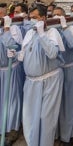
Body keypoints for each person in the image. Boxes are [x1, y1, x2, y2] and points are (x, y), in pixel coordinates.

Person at [19, 3, 65, 146]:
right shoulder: (29, 33)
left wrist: (42, 34)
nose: (32, 20)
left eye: (35, 17)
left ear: (44, 18)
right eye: (30, 17)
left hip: (49, 80)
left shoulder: (52, 32)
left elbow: (52, 53)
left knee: (46, 118)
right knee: (29, 117)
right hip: (31, 82)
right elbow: (25, 55)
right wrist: (15, 55)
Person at [52, 6, 73, 146]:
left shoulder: (70, 28)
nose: (55, 17)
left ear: (63, 16)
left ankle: (69, 135)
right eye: (53, 15)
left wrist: (64, 28)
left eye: (58, 15)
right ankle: (56, 133)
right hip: (55, 71)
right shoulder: (50, 30)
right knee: (56, 103)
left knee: (68, 102)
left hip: (68, 68)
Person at [0, 15, 24, 146]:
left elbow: (12, 45)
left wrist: (7, 29)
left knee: (11, 101)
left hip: (10, 69)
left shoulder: (14, 28)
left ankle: (12, 130)